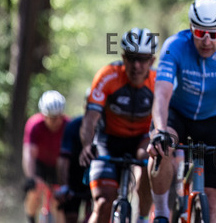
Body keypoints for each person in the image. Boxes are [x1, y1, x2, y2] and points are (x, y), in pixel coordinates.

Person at [147, 0, 216, 223]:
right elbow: (162, 94)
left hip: (211, 120)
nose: (206, 41)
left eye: (213, 34)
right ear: (190, 28)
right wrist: (159, 130)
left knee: (213, 202)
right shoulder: (175, 46)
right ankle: (162, 213)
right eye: (200, 32)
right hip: (176, 116)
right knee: (162, 147)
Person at [79, 27, 158, 223]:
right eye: (131, 58)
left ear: (152, 61)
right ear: (123, 58)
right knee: (104, 202)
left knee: (150, 158)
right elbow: (90, 118)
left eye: (143, 59)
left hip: (141, 140)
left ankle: (142, 217)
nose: (136, 65)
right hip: (108, 140)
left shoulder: (158, 81)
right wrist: (87, 145)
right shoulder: (108, 76)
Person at [23, 90, 69, 223]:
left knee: (59, 201)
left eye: (58, 117)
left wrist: (66, 181)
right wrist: (31, 177)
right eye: (51, 117)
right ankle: (31, 219)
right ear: (44, 115)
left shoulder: (68, 125)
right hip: (40, 163)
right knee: (34, 191)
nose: (55, 121)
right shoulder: (34, 125)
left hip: (59, 165)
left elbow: (70, 156)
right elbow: (28, 153)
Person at [56, 88, 92, 223]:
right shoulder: (73, 126)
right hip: (74, 178)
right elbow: (63, 160)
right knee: (71, 217)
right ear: (85, 106)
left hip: (97, 177)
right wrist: (64, 186)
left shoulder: (110, 127)